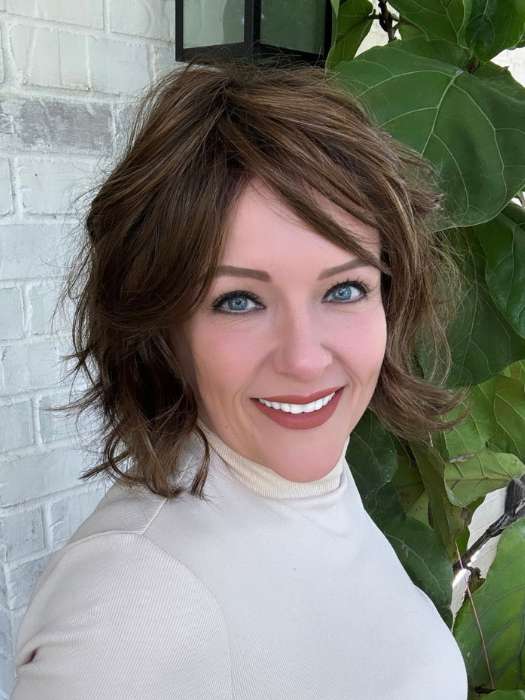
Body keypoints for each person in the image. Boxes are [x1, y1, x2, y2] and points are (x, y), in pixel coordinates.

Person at [12, 56, 470, 699]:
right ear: (162, 329)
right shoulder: (127, 608)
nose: (304, 359)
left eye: (344, 289)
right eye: (239, 301)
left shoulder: (311, 482)